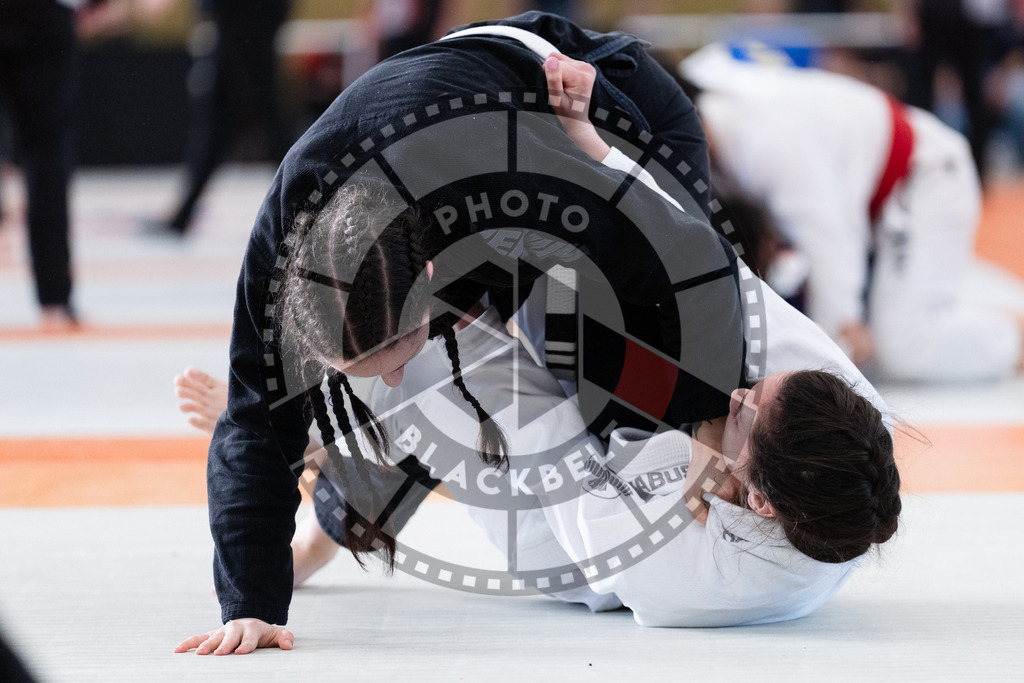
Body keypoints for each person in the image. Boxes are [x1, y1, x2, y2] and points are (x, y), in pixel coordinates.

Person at [176, 19, 899, 653]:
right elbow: (251, 417)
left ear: (428, 277)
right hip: (509, 192)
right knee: (442, 388)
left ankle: (348, 474)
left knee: (511, 390)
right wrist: (252, 602)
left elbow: (691, 259)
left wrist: (698, 431)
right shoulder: (283, 253)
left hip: (616, 131)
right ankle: (335, 498)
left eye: (386, 357)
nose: (387, 373)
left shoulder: (536, 188)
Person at [680, 43, 1024, 382]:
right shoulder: (698, 88)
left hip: (925, 178)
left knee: (902, 347)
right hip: (871, 192)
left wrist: (835, 342)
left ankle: (1015, 337)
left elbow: (832, 247)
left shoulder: (766, 144)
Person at [0, 0, 88, 330]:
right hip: (43, 13)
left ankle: (55, 298)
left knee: (46, 152)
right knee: (46, 152)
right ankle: (54, 300)